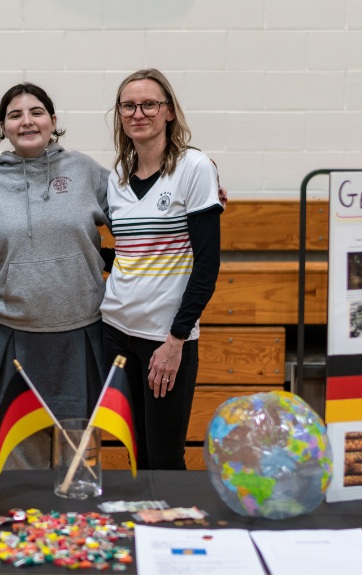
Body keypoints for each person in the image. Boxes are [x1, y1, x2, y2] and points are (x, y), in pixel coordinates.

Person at [0, 83, 110, 468]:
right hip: (11, 332)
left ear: (53, 121)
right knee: (17, 466)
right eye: (15, 115)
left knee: (76, 466)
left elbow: (139, 214)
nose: (27, 121)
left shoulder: (86, 172)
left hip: (79, 331)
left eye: (36, 112)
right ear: (3, 126)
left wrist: (200, 182)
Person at [100, 68, 223, 470]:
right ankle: (142, 531)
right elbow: (129, 255)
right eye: (129, 105)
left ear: (168, 111)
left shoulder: (195, 167)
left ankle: (172, 532)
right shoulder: (116, 179)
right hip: (115, 333)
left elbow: (207, 264)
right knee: (138, 454)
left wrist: (175, 341)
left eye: (149, 104)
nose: (139, 113)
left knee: (166, 457)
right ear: (119, 114)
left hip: (165, 339)